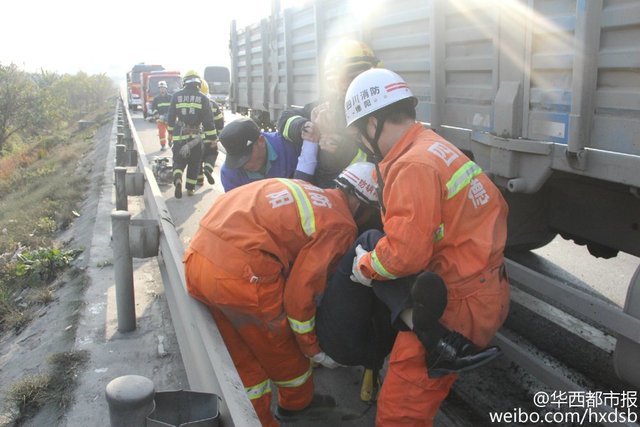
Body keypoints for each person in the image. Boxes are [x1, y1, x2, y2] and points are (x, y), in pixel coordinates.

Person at [344, 68, 510, 425]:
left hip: (457, 303)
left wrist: (365, 268)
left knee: (401, 410)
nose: (361, 144)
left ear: (373, 124)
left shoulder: (411, 166)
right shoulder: (433, 146)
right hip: (484, 286)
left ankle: (442, 346)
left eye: (360, 134)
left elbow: (405, 255)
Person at [183, 163, 380, 426]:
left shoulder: (305, 190)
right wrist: (313, 348)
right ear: (364, 205)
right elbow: (300, 300)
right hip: (241, 279)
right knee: (284, 349)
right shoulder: (340, 224)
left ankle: (258, 419)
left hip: (197, 262)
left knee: (243, 355)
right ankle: (297, 408)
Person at [277, 39, 381, 188]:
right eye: (344, 78)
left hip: (364, 198)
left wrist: (343, 149)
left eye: (357, 76)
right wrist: (303, 127)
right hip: (327, 193)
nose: (351, 83)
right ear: (332, 82)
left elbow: (383, 164)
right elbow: (285, 118)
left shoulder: (380, 111)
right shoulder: (327, 104)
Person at [167, 70, 217, 198]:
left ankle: (178, 178)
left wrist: (170, 133)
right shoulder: (203, 98)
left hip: (179, 134)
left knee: (178, 160)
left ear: (185, 82)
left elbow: (171, 117)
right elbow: (208, 122)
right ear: (198, 83)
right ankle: (190, 189)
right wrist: (212, 139)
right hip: (195, 136)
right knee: (194, 163)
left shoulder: (176, 96)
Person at [219, 117, 301, 192]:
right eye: (236, 161)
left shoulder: (289, 147)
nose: (244, 166)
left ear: (261, 141)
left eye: (245, 158)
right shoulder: (229, 174)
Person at [196, 79, 224, 187]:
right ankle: (208, 169)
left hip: (196, 139)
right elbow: (220, 122)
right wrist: (218, 136)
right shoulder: (213, 104)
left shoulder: (192, 105)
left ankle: (199, 181)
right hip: (211, 139)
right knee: (212, 154)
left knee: (197, 160)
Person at [151, 80, 173, 151]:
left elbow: (174, 108)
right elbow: (153, 108)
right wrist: (157, 116)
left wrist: (172, 116)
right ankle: (163, 145)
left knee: (171, 132)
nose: (162, 89)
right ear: (159, 89)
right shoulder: (156, 99)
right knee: (161, 133)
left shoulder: (171, 97)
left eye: (163, 88)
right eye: (160, 88)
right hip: (160, 119)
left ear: (166, 88)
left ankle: (170, 141)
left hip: (170, 119)